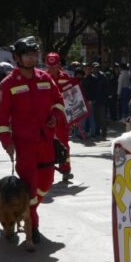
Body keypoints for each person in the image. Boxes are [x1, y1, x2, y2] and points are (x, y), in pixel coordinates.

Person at [0, 37, 67, 243]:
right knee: (30, 186)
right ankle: (32, 225)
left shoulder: (45, 78)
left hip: (46, 142)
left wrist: (55, 116)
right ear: (17, 57)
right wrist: (6, 141)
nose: (32, 58)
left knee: (45, 183)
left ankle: (26, 213)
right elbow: (1, 118)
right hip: (24, 144)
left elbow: (58, 101)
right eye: (27, 55)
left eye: (34, 54)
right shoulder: (8, 83)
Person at [45, 52, 75, 180]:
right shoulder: (42, 78)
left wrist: (74, 118)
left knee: (64, 144)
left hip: (63, 118)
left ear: (59, 65)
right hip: (47, 117)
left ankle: (65, 169)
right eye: (50, 67)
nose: (52, 69)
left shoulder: (66, 78)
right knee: (46, 145)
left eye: (55, 66)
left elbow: (73, 98)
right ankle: (47, 170)